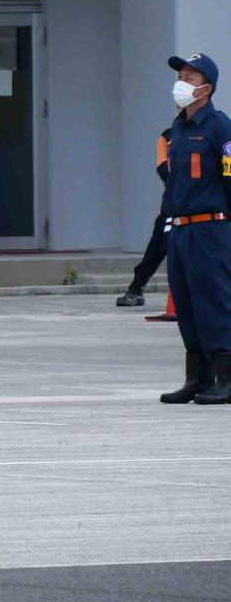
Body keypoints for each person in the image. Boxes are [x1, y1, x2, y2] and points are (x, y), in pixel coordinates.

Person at [155, 53, 231, 406]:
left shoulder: (220, 127)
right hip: (181, 231)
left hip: (210, 230)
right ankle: (197, 377)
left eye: (190, 76)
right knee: (186, 304)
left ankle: (226, 379)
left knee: (215, 303)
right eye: (181, 75)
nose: (182, 81)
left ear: (207, 88)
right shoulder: (179, 130)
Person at [117, 126, 175, 308]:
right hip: (173, 205)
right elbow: (162, 168)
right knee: (156, 249)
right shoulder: (168, 137)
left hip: (204, 207)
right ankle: (136, 289)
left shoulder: (213, 129)